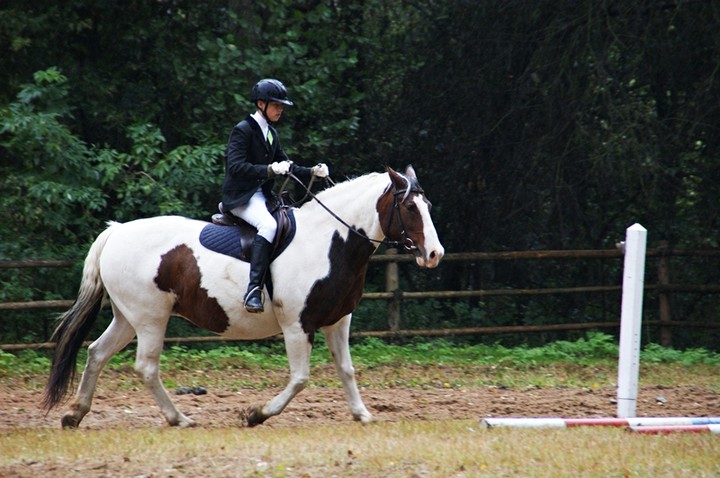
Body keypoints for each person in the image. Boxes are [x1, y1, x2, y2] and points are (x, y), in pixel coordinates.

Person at [220, 78, 329, 313]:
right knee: (268, 226)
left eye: (282, 106)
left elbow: (286, 164)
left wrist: (312, 171)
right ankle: (253, 290)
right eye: (276, 105)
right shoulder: (243, 130)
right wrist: (268, 170)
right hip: (241, 198)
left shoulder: (271, 133)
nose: (281, 110)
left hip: (263, 197)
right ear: (261, 104)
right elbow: (236, 167)